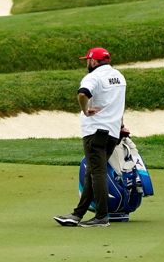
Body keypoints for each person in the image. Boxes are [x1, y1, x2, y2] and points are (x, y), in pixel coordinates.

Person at [54, 47, 126, 228]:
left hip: (95, 132)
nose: (87, 63)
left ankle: (102, 216)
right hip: (112, 132)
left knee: (97, 173)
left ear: (93, 61)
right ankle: (77, 215)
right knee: (91, 173)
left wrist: (85, 110)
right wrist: (122, 125)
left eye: (88, 60)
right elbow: (118, 103)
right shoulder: (119, 77)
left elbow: (82, 93)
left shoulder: (93, 77)